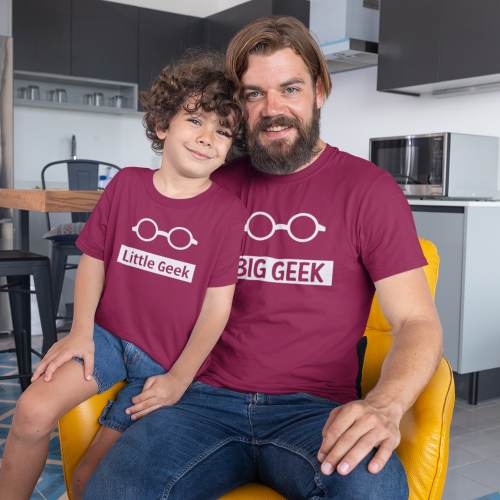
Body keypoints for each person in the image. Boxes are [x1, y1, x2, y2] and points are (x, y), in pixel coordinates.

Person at [84, 16, 443, 500]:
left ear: (319, 90)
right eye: (255, 94)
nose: (273, 109)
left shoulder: (368, 190)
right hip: (200, 401)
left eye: (290, 89)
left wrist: (385, 404)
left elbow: (417, 322)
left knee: (371, 489)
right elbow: (141, 277)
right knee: (116, 489)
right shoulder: (210, 184)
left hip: (313, 412)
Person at [0, 52, 247, 500]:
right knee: (33, 411)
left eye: (223, 131)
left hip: (165, 364)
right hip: (108, 341)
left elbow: (217, 307)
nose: (208, 137)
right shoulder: (127, 185)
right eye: (195, 120)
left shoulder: (229, 212)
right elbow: (93, 259)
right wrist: (80, 333)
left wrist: (179, 378)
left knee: (89, 479)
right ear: (161, 126)